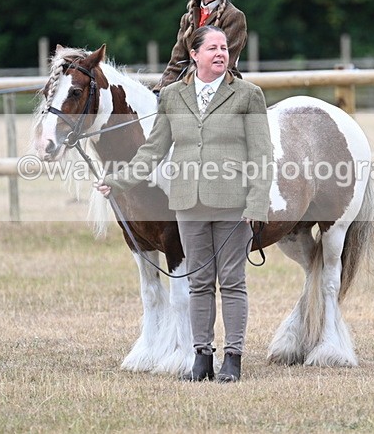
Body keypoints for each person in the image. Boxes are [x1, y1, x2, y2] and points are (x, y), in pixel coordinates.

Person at [97, 26, 273, 383]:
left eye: (224, 48)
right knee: (199, 283)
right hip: (188, 203)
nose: (221, 53)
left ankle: (233, 358)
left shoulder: (248, 95)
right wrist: (117, 181)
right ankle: (202, 357)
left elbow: (262, 154)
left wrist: (256, 203)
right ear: (194, 54)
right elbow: (153, 150)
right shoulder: (173, 96)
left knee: (233, 283)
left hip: (233, 203)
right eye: (212, 48)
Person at [152, 0, 248, 94]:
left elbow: (222, 65)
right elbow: (177, 63)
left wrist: (182, 89)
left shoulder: (234, 16)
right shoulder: (187, 19)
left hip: (222, 89)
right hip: (189, 86)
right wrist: (160, 91)